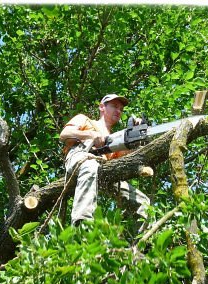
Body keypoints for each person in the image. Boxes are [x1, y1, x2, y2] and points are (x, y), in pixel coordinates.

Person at [59, 94, 150, 229]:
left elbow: (124, 160)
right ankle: (82, 224)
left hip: (103, 170)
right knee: (90, 166)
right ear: (102, 107)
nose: (118, 111)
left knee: (142, 201)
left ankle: (138, 240)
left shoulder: (115, 139)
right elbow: (64, 135)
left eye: (121, 109)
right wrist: (90, 135)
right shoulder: (85, 121)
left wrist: (137, 138)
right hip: (81, 157)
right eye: (114, 106)